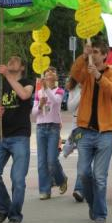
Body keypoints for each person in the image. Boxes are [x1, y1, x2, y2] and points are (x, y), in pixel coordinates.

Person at [70, 38, 112, 223]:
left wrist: (99, 77)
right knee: (83, 173)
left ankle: (100, 213)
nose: (94, 55)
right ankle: (93, 204)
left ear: (105, 55)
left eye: (97, 52)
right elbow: (74, 74)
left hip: (105, 132)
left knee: (100, 177)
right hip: (85, 131)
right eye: (93, 52)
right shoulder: (87, 70)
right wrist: (83, 56)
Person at [0, 56, 34, 223]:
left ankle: (15, 215)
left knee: (18, 178)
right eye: (9, 60)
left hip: (20, 136)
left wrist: (7, 75)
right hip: (2, 136)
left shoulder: (28, 82)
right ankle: (5, 207)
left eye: (15, 61)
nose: (10, 62)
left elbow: (23, 94)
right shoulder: (2, 84)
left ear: (22, 67)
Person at [32, 66, 68, 199]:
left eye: (53, 72)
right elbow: (34, 113)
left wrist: (46, 89)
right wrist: (40, 105)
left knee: (52, 160)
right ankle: (45, 190)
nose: (50, 74)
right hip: (41, 127)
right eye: (47, 72)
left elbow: (56, 101)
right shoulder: (38, 92)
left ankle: (61, 179)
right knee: (42, 161)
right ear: (44, 76)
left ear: (56, 77)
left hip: (53, 127)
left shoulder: (59, 91)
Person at [63, 76, 84, 202]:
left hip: (92, 125)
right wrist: (82, 92)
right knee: (83, 159)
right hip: (78, 125)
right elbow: (70, 107)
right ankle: (80, 189)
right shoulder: (74, 88)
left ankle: (82, 188)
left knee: (85, 159)